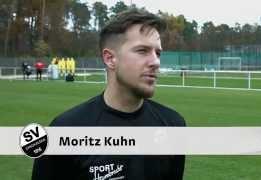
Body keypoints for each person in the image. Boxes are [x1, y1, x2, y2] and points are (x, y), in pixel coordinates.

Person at [32, 8, 186, 180]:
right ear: (110, 59)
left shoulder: (173, 125)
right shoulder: (65, 130)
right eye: (142, 51)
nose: (155, 62)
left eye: (158, 53)